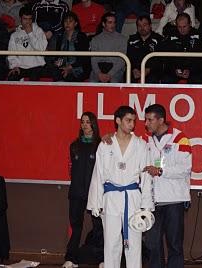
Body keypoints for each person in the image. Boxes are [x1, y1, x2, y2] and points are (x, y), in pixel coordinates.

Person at [87, 106, 154, 268]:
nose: (132, 124)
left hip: (132, 197)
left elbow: (146, 175)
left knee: (134, 243)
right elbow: (98, 174)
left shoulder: (140, 145)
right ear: (118, 120)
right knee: (111, 242)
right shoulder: (105, 145)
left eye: (134, 121)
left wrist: (146, 205)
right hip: (111, 197)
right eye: (128, 120)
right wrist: (96, 202)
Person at [143, 104, 192, 268]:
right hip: (152, 202)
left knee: (175, 245)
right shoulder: (145, 140)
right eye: (146, 120)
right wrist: (108, 137)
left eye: (150, 120)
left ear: (161, 120)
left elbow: (185, 169)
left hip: (174, 201)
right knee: (153, 246)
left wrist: (161, 171)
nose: (146, 123)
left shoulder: (180, 138)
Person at [63, 112, 103, 268]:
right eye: (83, 122)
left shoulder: (101, 145)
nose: (85, 125)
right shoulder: (74, 146)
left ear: (93, 124)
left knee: (99, 226)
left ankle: (102, 259)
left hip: (95, 193)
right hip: (76, 193)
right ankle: (71, 258)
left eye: (88, 122)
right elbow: (71, 169)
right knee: (75, 226)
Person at [159, 13, 202, 84]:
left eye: (184, 26)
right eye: (179, 27)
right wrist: (175, 69)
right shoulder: (170, 37)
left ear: (190, 24)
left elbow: (201, 59)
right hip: (174, 70)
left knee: (197, 79)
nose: (182, 30)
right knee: (166, 79)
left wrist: (190, 70)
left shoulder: (198, 36)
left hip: (194, 71)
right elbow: (166, 58)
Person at [7, 6, 49, 81]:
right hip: (21, 67)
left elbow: (41, 49)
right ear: (20, 19)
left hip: (37, 66)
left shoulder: (38, 31)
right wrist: (14, 66)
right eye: (25, 19)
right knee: (12, 77)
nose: (27, 22)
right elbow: (11, 54)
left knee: (34, 78)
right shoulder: (14, 35)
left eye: (30, 19)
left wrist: (30, 33)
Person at [52, 11, 90, 82]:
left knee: (69, 77)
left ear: (75, 23)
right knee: (55, 73)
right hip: (63, 66)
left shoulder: (81, 37)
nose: (67, 23)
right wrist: (57, 63)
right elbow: (58, 55)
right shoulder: (60, 37)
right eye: (65, 21)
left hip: (78, 67)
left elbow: (84, 58)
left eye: (70, 21)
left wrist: (70, 67)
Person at [89, 12, 127, 83]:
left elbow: (122, 61)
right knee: (92, 82)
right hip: (99, 68)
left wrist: (110, 74)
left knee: (114, 82)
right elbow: (93, 60)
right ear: (103, 24)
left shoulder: (122, 39)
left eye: (114, 22)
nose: (112, 25)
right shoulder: (95, 39)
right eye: (110, 22)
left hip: (116, 70)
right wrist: (99, 73)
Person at [127, 15, 163, 83]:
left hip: (152, 71)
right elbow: (129, 57)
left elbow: (160, 60)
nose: (142, 28)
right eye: (139, 25)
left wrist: (148, 69)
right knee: (127, 76)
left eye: (144, 25)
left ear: (150, 26)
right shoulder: (132, 39)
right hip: (135, 70)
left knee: (152, 79)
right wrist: (134, 69)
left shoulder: (159, 39)